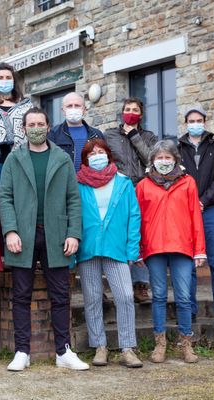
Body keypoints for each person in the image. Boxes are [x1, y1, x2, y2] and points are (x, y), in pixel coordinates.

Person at [0, 107, 89, 372]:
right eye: (31, 124)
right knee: (21, 295)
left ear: (48, 127)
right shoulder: (14, 159)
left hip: (56, 235)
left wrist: (73, 233)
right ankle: (22, 351)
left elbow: (73, 198)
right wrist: (10, 231)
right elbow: (5, 197)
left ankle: (63, 351)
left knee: (60, 295)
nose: (36, 127)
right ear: (24, 128)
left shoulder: (61, 158)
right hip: (23, 235)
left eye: (40, 123)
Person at [135, 140, 206, 364]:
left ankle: (186, 344)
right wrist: (137, 249)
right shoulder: (143, 186)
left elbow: (196, 216)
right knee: (158, 297)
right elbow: (136, 220)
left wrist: (200, 250)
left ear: (175, 159)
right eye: (159, 158)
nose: (163, 161)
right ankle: (160, 344)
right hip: (154, 247)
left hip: (182, 246)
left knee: (184, 297)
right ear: (152, 161)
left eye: (168, 158)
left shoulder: (188, 183)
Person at [75, 138, 142, 368]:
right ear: (85, 159)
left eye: (100, 152)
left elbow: (134, 216)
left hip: (116, 248)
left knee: (125, 296)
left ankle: (127, 347)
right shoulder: (78, 184)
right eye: (91, 153)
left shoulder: (123, 182)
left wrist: (132, 249)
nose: (96, 156)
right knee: (92, 299)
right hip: (88, 248)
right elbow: (73, 215)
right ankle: (100, 346)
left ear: (108, 155)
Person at [178, 107, 214, 328]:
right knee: (188, 264)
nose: (195, 124)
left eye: (199, 120)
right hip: (185, 213)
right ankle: (190, 310)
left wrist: (203, 201)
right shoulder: (178, 149)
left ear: (205, 123)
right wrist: (190, 202)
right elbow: (175, 177)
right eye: (191, 121)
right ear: (186, 124)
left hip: (211, 211)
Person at [105, 97, 158, 304]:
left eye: (135, 109)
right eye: (127, 109)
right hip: (119, 189)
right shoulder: (110, 135)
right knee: (121, 233)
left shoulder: (149, 136)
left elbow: (151, 160)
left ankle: (141, 286)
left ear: (141, 114)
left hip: (143, 188)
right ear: (122, 112)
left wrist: (135, 136)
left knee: (141, 236)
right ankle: (122, 282)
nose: (131, 112)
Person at [48, 92, 104, 171]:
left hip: (91, 182)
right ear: (63, 110)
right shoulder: (53, 134)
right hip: (65, 182)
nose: (73, 109)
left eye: (77, 106)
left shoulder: (96, 134)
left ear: (84, 110)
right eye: (69, 106)